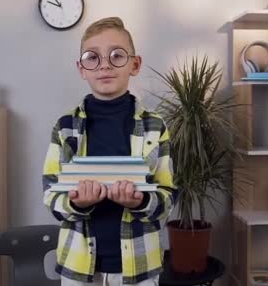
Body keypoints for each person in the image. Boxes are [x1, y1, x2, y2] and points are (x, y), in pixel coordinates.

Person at [42, 17, 177, 285]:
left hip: (139, 267)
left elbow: (168, 199)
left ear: (134, 64)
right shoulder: (65, 127)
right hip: (79, 267)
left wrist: (139, 201)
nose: (104, 64)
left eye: (117, 55)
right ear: (81, 68)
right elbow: (51, 194)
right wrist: (77, 202)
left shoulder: (154, 126)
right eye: (92, 57)